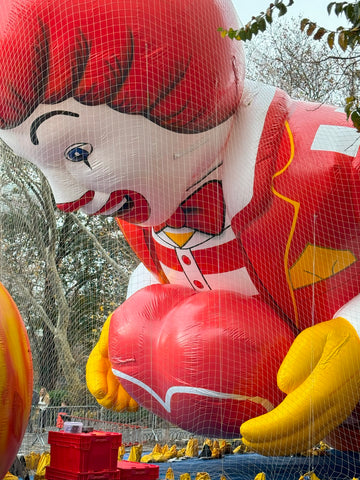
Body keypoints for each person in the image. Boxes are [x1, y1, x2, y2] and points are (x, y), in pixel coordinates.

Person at [1, 0, 360, 456]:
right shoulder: (144, 214)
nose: (65, 201)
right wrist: (136, 326)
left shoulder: (327, 155)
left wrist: (355, 334)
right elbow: (168, 276)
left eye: (78, 153)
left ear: (178, 89)